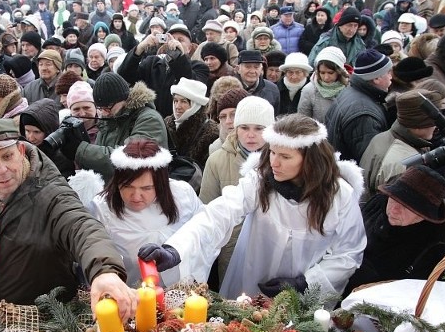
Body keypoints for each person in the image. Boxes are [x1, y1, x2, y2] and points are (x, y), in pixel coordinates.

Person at [138, 114, 366, 298]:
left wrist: (305, 283)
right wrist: (176, 248)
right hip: (250, 282)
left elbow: (349, 252)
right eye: (273, 152)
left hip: (302, 297)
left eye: (285, 157)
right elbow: (220, 213)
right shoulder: (260, 180)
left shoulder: (339, 195)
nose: (274, 162)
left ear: (311, 160)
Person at [0, 118, 136, 320]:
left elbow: (81, 226)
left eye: (7, 156)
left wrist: (105, 271)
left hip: (46, 323)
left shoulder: (51, 193)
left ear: (21, 152)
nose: (2, 170)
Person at [88, 139, 204, 287]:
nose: (136, 197)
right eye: (127, 186)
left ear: (161, 184)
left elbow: (203, 234)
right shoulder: (101, 209)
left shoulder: (183, 194)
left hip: (183, 292)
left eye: (147, 188)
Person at [200, 96, 275, 288]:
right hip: (231, 248)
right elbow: (206, 210)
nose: (251, 135)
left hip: (270, 247)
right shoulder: (217, 160)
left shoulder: (281, 160)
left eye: (259, 128)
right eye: (244, 127)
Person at [344, 166, 445, 296]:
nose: (394, 209)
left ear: (424, 215)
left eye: (406, 206)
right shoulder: (378, 203)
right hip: (340, 277)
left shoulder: (437, 248)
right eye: (394, 198)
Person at [60, 72, 168, 183]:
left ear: (124, 99)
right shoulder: (109, 119)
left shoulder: (149, 119)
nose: (105, 113)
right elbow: (100, 168)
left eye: (108, 107)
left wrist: (81, 150)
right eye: (100, 108)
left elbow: (129, 159)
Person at [360, 86, 445, 199]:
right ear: (418, 124)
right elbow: (398, 208)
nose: (436, 126)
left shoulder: (383, 137)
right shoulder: (405, 163)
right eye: (433, 122)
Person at [118, 24, 208, 118]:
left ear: (189, 48)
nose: (175, 42)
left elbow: (191, 85)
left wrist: (179, 57)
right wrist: (140, 47)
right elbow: (124, 75)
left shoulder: (199, 67)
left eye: (180, 40)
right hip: (151, 122)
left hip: (182, 123)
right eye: (171, 39)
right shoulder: (151, 63)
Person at [326, 49, 393, 163]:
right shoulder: (364, 114)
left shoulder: (351, 92)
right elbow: (371, 161)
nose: (391, 76)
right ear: (376, 78)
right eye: (388, 72)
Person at [164, 78, 218, 170]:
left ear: (195, 105)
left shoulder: (210, 132)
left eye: (183, 101)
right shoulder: (167, 123)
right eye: (176, 101)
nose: (177, 106)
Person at [19, 98, 75, 179]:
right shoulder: (21, 150)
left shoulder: (63, 158)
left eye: (36, 132)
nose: (30, 137)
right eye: (27, 131)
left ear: (49, 130)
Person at [298, 46, 349, 123]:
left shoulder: (349, 88)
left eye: (330, 73)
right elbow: (302, 122)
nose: (326, 77)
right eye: (322, 73)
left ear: (339, 71)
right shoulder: (309, 90)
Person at [234, 50, 280, 115]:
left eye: (256, 67)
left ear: (261, 70)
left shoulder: (272, 89)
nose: (252, 71)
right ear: (238, 69)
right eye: (248, 67)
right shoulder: (229, 88)